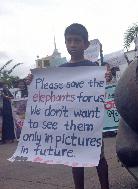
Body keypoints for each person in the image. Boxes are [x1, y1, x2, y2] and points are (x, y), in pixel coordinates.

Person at [26, 23, 110, 189]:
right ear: (65, 43)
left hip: (90, 122)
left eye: (77, 40)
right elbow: (50, 94)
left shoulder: (94, 69)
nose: (72, 44)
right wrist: (33, 82)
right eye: (69, 40)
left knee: (99, 157)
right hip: (70, 124)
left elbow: (99, 93)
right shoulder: (60, 71)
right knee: (75, 159)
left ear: (85, 44)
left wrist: (104, 78)